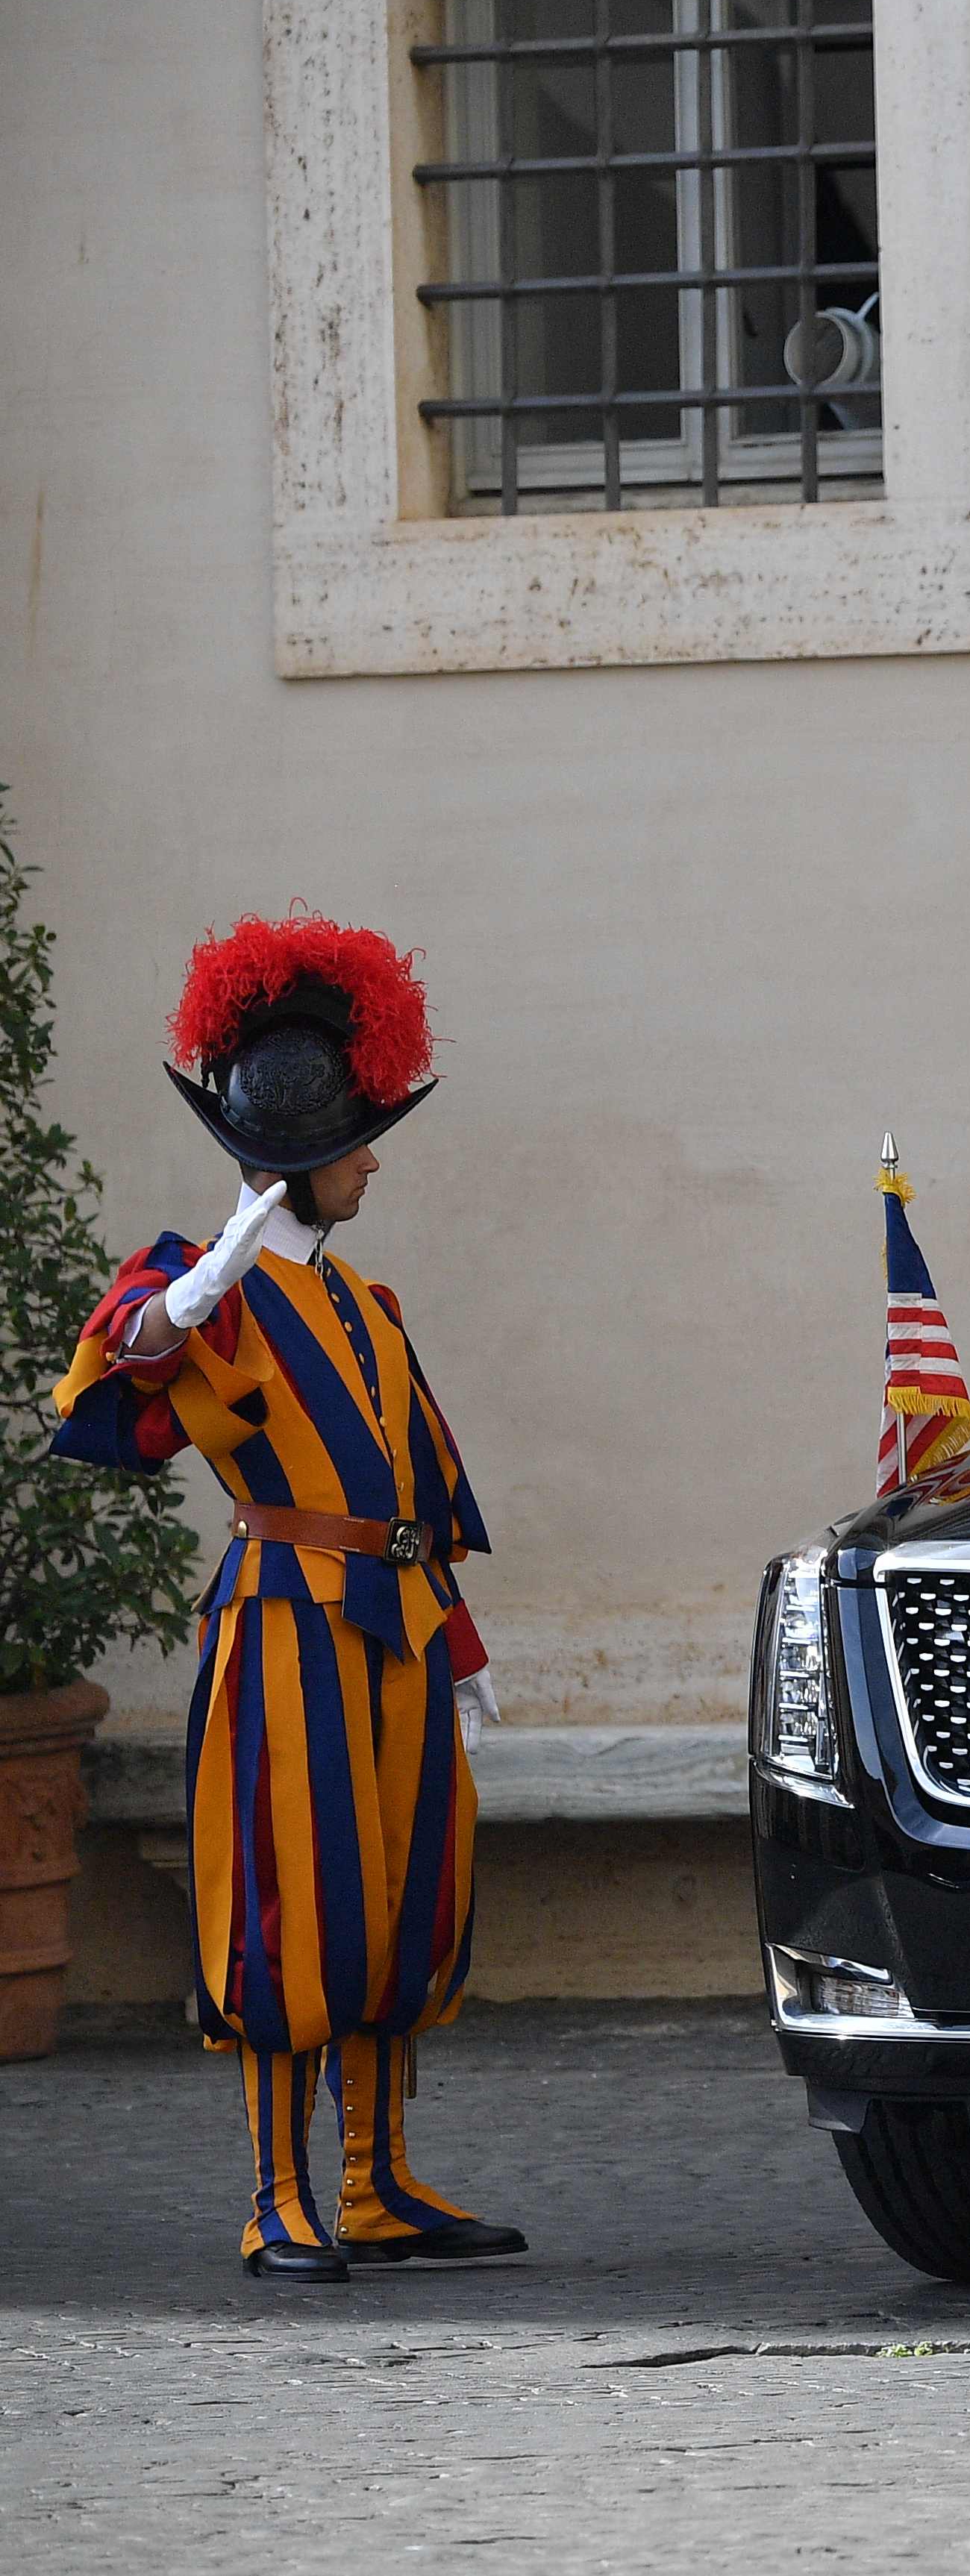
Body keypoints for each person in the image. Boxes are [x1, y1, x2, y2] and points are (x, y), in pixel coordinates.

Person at [49, 917, 518, 2281]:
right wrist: (172, 1311)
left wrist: (464, 1645)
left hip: (398, 1627)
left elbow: (424, 1488)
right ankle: (277, 2195)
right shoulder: (213, 1294)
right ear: (306, 1162)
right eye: (361, 1139)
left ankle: (374, 2184)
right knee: (290, 1897)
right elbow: (109, 1393)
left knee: (398, 1892)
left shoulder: (368, 1303)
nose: (376, 1156)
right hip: (286, 1625)